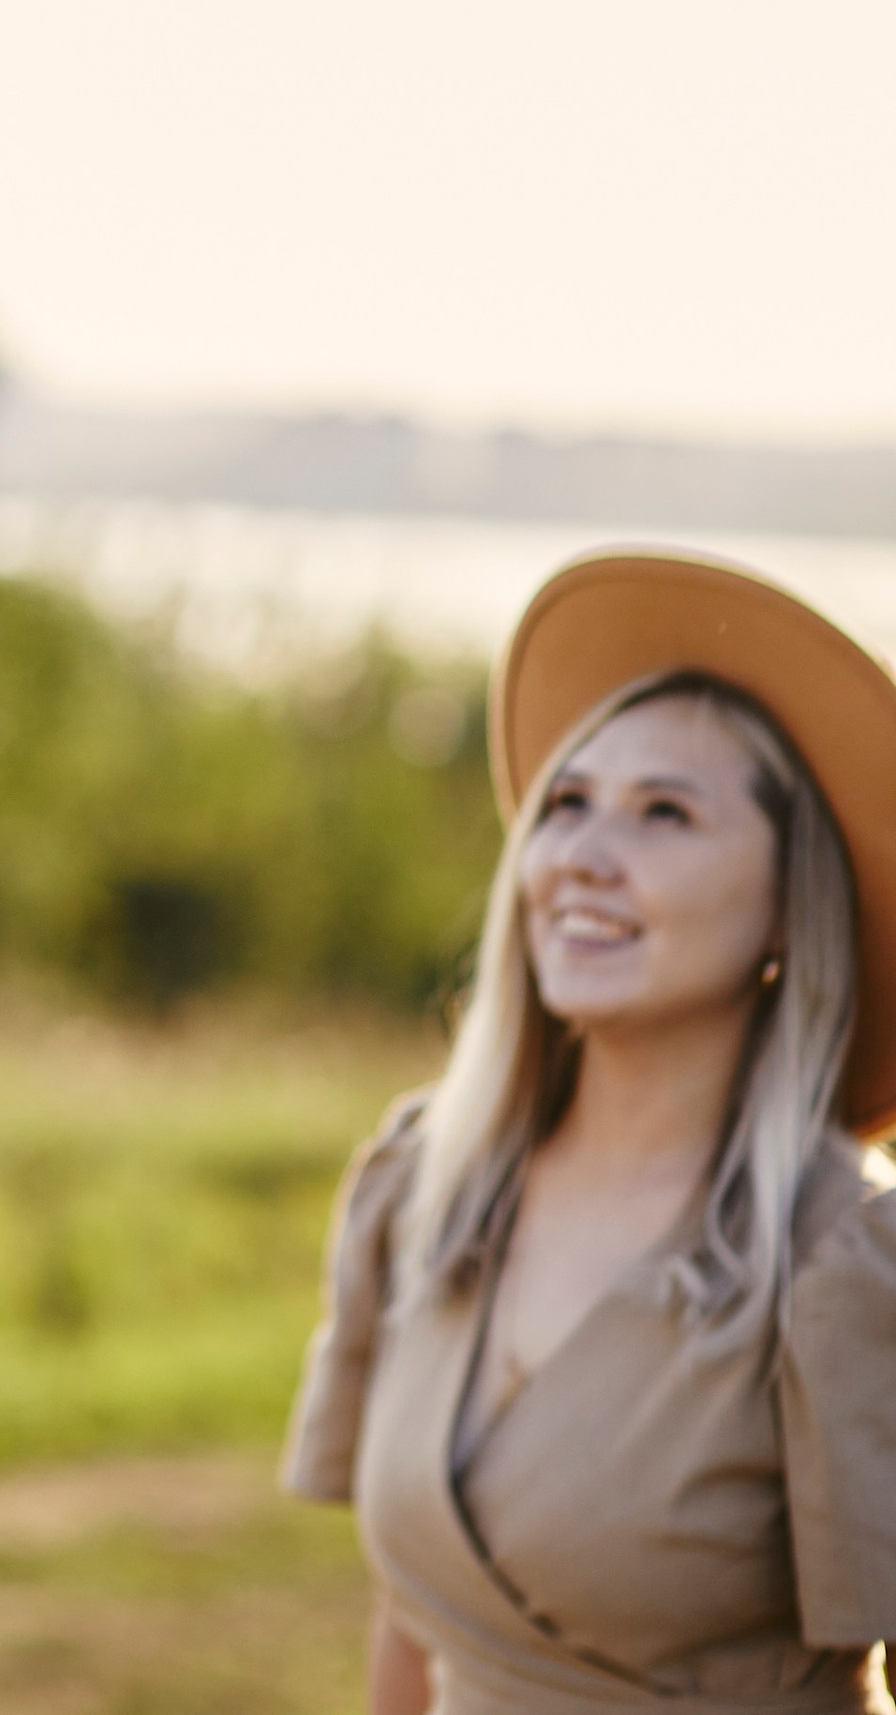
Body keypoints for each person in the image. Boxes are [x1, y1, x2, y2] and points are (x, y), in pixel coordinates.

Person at [284, 548, 896, 1712]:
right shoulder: (422, 1186)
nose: (580, 858)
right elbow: (415, 1619)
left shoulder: (846, 1257)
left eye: (664, 813)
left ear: (785, 901)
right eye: (568, 803)